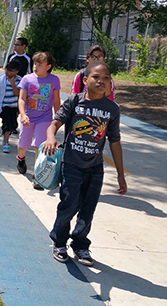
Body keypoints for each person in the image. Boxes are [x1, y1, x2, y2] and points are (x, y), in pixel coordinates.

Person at [44, 61, 126, 266]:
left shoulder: (112, 109)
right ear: (85, 80)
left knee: (88, 209)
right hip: (71, 164)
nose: (101, 81)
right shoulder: (74, 101)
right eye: (96, 77)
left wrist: (120, 174)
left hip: (95, 167)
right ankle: (59, 241)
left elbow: (114, 141)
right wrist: (51, 137)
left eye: (106, 78)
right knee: (69, 204)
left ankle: (80, 244)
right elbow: (55, 123)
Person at [17, 52, 61, 189]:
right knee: (24, 143)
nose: (35, 66)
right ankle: (21, 158)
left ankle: (37, 175)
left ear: (48, 66)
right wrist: (23, 115)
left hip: (45, 117)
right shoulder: (27, 79)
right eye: (35, 63)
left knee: (40, 146)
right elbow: (22, 99)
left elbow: (55, 100)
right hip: (28, 117)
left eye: (39, 64)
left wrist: (58, 119)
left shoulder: (54, 80)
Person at [0, 59, 22, 153]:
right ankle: (6, 143)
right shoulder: (2, 79)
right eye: (6, 70)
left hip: (14, 106)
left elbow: (18, 93)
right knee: (6, 123)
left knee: (13, 124)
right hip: (5, 106)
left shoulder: (20, 80)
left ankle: (6, 135)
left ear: (16, 71)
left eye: (10, 70)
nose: (7, 72)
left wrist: (13, 84)